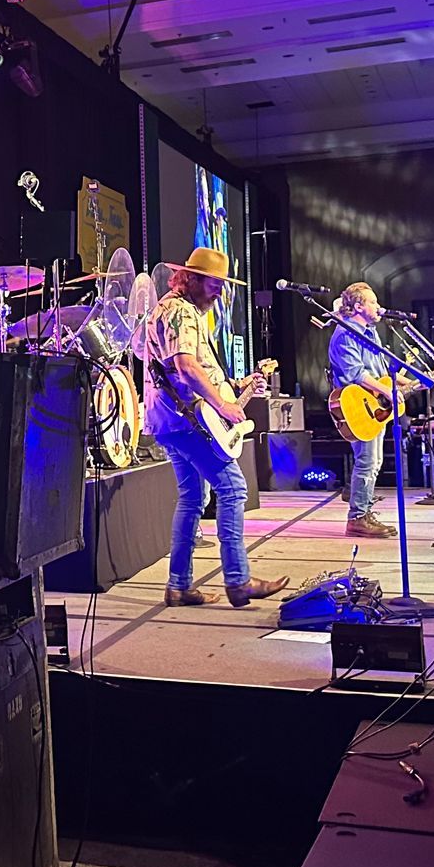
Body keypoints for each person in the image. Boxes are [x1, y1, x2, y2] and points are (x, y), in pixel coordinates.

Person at [143, 246, 288, 608]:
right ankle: (238, 581)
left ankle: (179, 586)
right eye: (214, 284)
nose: (219, 292)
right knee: (234, 489)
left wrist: (236, 387)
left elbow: (193, 370)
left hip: (170, 420)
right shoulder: (181, 312)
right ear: (190, 278)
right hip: (187, 420)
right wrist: (222, 404)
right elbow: (187, 367)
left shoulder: (173, 308)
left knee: (193, 497)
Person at [329, 282, 399, 538]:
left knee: (374, 461)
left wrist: (411, 382)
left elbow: (381, 373)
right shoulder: (346, 334)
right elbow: (356, 373)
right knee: (367, 461)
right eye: (373, 302)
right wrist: (386, 391)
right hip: (358, 406)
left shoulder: (371, 333)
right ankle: (357, 517)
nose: (379, 307)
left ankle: (364, 512)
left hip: (373, 404)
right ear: (358, 306)